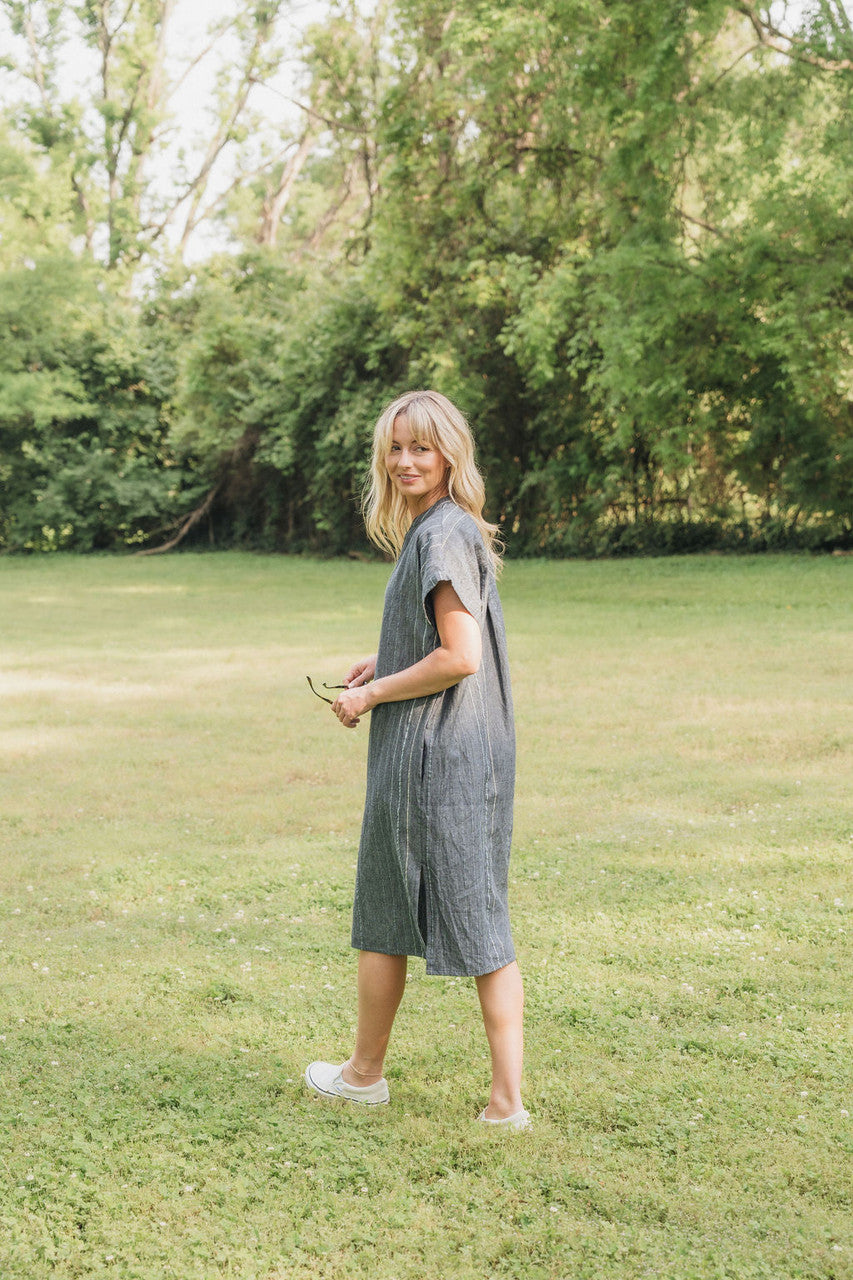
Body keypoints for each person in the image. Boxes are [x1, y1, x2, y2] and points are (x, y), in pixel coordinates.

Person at [304, 390, 528, 1129]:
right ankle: (503, 1104)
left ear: (449, 454)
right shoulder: (448, 527)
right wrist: (389, 657)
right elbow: (444, 637)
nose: (405, 461)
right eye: (395, 448)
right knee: (481, 919)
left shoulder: (439, 535)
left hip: (430, 754)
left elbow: (460, 656)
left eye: (420, 448)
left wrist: (370, 696)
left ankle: (365, 1076)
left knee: (387, 910)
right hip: (469, 754)